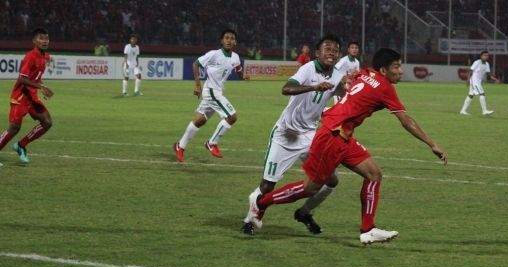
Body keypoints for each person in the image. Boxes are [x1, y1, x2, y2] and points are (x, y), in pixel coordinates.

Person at [244, 48, 448, 244]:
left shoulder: (367, 73)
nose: (400, 71)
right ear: (384, 71)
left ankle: (368, 229)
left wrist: (348, 81)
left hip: (343, 134)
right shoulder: (385, 87)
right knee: (310, 187)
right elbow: (406, 121)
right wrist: (433, 144)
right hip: (332, 135)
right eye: (396, 66)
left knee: (374, 174)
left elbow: (354, 80)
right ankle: (261, 202)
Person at [242, 35, 346, 236]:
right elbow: (286, 88)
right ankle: (250, 220)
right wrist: (314, 87)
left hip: (310, 136)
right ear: (317, 53)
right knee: (267, 185)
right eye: (327, 49)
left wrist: (346, 89)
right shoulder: (308, 69)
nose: (331, 53)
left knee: (331, 180)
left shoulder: (338, 74)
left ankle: (305, 212)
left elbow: (341, 93)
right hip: (286, 133)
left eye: (335, 50)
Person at [173, 29, 247, 163]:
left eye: (232, 38)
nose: (229, 40)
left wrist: (243, 76)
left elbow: (238, 69)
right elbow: (196, 64)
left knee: (200, 120)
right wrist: (197, 85)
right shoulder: (214, 54)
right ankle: (212, 143)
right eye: (226, 38)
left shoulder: (235, 57)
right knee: (232, 116)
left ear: (235, 42)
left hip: (217, 91)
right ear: (221, 41)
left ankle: (180, 146)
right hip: (212, 91)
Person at [0, 28, 54, 164]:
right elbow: (22, 79)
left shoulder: (45, 56)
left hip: (32, 96)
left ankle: (21, 145)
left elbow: (35, 77)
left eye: (47, 38)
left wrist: (41, 88)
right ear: (34, 41)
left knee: (47, 122)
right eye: (41, 38)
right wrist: (40, 87)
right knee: (14, 128)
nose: (45, 41)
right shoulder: (30, 56)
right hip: (20, 96)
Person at [459, 50, 499, 116]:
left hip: (478, 81)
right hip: (474, 81)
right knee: (482, 93)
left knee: (471, 95)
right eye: (485, 55)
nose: (486, 57)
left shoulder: (487, 64)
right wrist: (468, 80)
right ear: (481, 56)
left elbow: (489, 75)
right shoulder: (477, 62)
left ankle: (463, 110)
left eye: (487, 55)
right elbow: (471, 71)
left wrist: (495, 79)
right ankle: (484, 111)